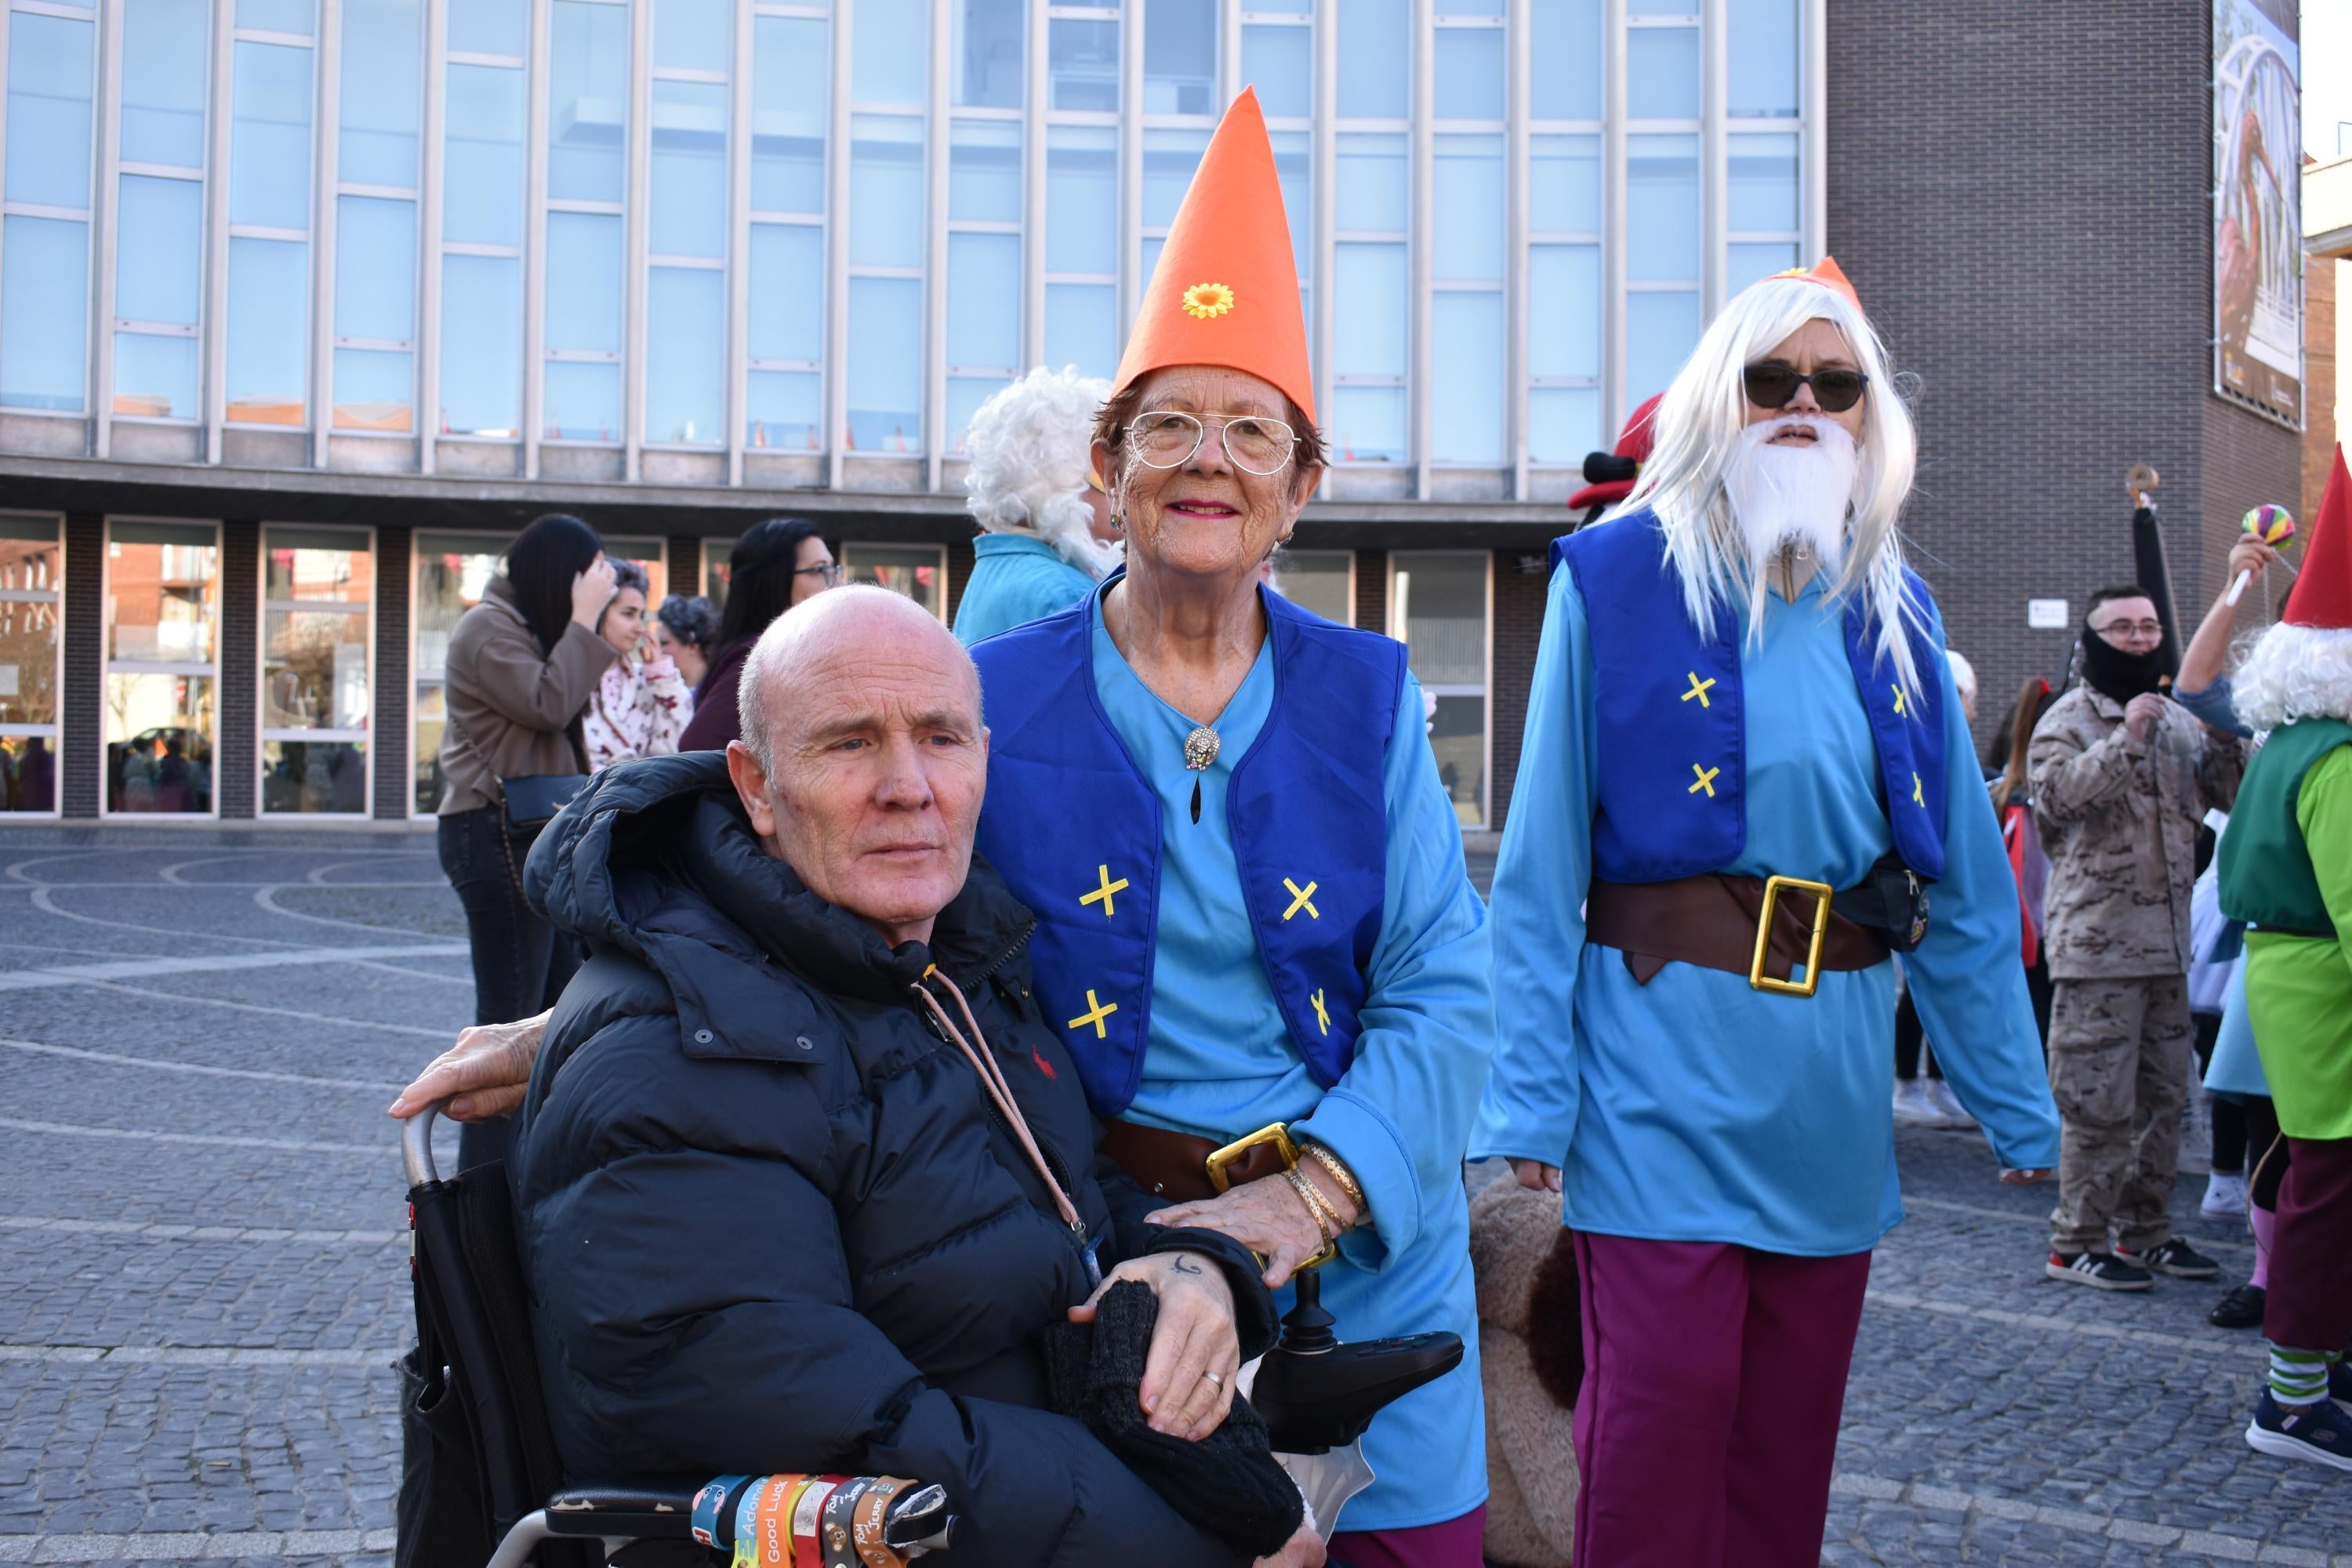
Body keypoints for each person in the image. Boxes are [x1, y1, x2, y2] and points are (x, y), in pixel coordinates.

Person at [390, 90, 1497, 1565]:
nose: (1207, 462)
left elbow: (1444, 990)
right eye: (1167, 425)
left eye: (1251, 431)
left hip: (1359, 1245)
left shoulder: (1367, 694)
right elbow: (839, 887)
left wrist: (1302, 1208)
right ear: (1105, 475)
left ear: (1303, 487)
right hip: (1106, 1276)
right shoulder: (983, 695)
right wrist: (582, 1027)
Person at [505, 587, 1319, 1566]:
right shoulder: (675, 1051)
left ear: (983, 759)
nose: (908, 785)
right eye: (849, 743)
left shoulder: (938, 970)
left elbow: (1067, 1200)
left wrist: (1200, 1269)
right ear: (756, 786)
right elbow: (832, 1438)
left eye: (941, 738)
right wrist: (1222, 1538)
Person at [1472, 256, 2061, 1568]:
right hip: (1655, 1087)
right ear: (1718, 402)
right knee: (1657, 1430)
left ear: (1868, 418)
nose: (1803, 403)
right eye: (1771, 378)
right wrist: (1525, 1102)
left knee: (1785, 1452)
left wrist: (2019, 1103)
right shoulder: (1613, 582)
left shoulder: (1898, 616)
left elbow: (1960, 883)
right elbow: (1538, 876)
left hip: (1829, 1095)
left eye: (1835, 383)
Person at [2029, 586, 2242, 1290]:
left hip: (2167, 950)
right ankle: (2077, 1240)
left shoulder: (2180, 721)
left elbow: (2231, 799)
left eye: (2149, 626)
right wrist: (2128, 739)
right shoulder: (2066, 720)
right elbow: (2056, 802)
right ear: (2091, 641)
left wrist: (2222, 741)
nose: (2140, 638)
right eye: (2121, 627)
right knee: (2096, 1104)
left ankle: (2146, 1232)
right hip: (2098, 951)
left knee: (2164, 1104)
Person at [2218, 445, 2352, 1468]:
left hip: (2288, 974)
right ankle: (2295, 1398)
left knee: (2315, 1172)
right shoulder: (2339, 760)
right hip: (2326, 985)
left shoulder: (2284, 746)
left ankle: (2319, 1371)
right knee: (2331, 1181)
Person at [434, 511, 617, 1171]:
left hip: (526, 832)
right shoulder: (488, 628)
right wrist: (585, 619)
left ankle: (535, 1175)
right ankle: (476, 1205)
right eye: (589, 576)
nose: (595, 590)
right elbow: (548, 703)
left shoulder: (522, 629)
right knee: (505, 1029)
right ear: (558, 575)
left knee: (558, 1016)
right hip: (492, 833)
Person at [953, 365, 1125, 644]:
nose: (1120, 489)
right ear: (1057, 482)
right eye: (1102, 471)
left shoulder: (991, 573)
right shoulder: (1065, 595)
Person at [675, 517, 838, 752]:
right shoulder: (761, 659)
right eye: (820, 570)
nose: (836, 582)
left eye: (834, 569)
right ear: (774, 580)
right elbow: (698, 746)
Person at [582, 561, 692, 769]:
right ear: (599, 612)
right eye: (628, 614)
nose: (639, 627)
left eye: (641, 615)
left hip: (639, 799)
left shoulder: (649, 681)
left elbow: (674, 749)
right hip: (581, 798)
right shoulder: (570, 678)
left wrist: (662, 678)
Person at [652, 592, 720, 691]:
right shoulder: (662, 690)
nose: (657, 651)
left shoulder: (721, 691)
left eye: (664, 643)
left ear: (692, 646)